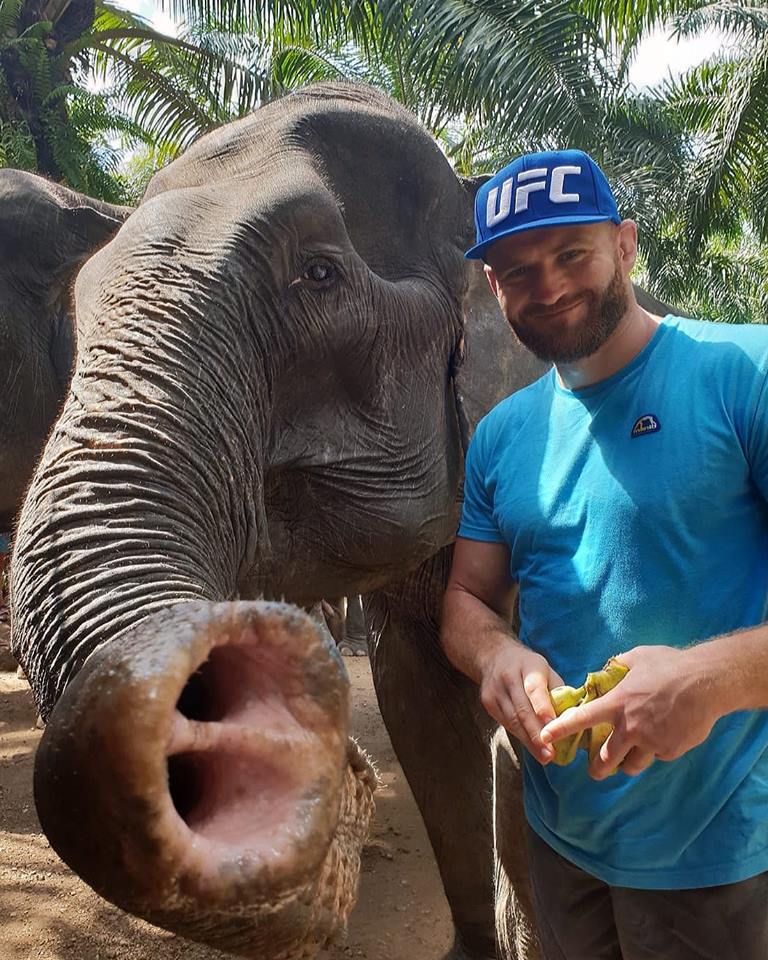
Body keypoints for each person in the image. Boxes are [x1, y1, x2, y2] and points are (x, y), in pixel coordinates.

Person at [441, 148, 768, 959]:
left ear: (626, 244)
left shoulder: (745, 373)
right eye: (517, 271)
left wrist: (705, 681)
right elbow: (465, 603)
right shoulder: (502, 436)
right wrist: (497, 654)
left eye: (571, 254)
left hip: (720, 855)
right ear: (492, 289)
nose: (547, 287)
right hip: (556, 842)